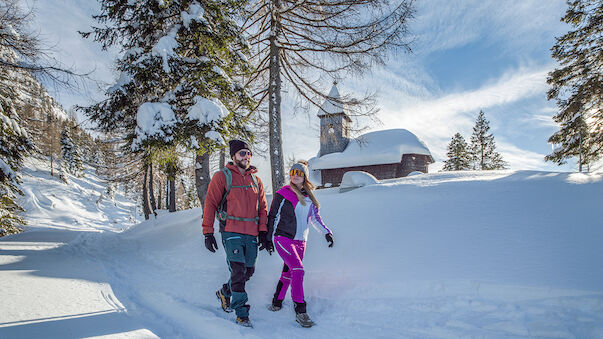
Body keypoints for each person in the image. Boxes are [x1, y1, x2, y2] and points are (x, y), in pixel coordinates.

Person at [202, 139, 273, 327]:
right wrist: (208, 232)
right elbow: (210, 203)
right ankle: (242, 314)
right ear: (233, 156)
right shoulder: (222, 177)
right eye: (242, 153)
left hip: (251, 233)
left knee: (248, 271)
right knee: (239, 271)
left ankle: (225, 292)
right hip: (231, 230)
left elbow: (263, 209)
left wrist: (264, 232)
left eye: (249, 153)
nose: (246, 157)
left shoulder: (256, 181)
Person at [267, 160, 334, 328]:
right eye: (293, 173)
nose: (295, 176)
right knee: (298, 270)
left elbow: (315, 219)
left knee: (289, 274)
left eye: (299, 173)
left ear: (304, 176)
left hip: (300, 242)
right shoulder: (283, 193)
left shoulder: (309, 197)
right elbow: (273, 216)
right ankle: (300, 310)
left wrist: (326, 232)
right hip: (283, 238)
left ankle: (277, 302)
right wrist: (267, 237)